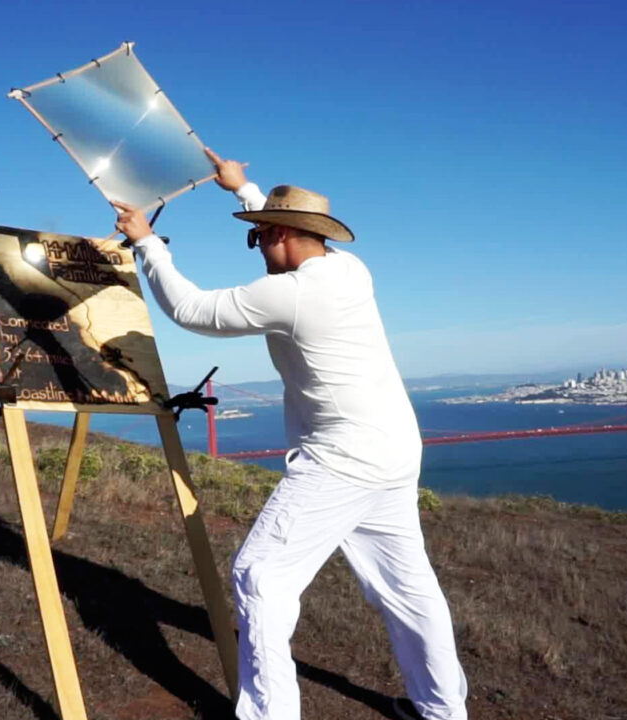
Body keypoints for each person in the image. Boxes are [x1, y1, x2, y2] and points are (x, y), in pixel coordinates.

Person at [112, 148, 468, 720]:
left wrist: (147, 243)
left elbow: (193, 310)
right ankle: (444, 711)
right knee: (408, 590)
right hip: (395, 450)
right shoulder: (351, 270)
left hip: (342, 459)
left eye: (258, 239)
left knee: (260, 576)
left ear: (280, 234)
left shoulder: (292, 293)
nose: (259, 251)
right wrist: (242, 191)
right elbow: (285, 243)